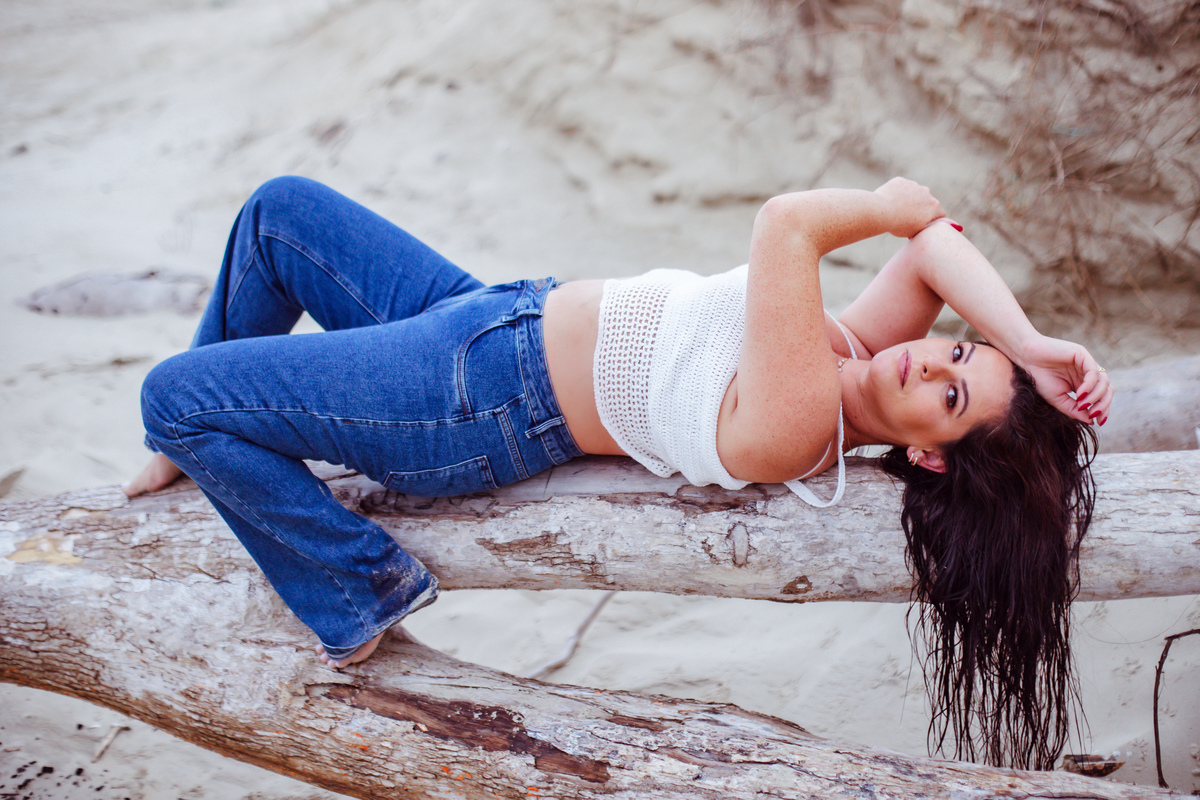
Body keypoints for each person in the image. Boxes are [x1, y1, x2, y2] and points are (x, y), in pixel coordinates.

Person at [125, 175, 1109, 770]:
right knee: (280, 214)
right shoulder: (860, 346)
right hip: (490, 313)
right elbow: (939, 249)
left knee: (172, 393)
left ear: (928, 452)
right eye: (956, 351)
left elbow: (788, 224)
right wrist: (1026, 344)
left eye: (950, 396)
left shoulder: (802, 421)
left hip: (469, 401)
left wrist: (884, 208)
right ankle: (207, 437)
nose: (929, 365)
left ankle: (353, 587)